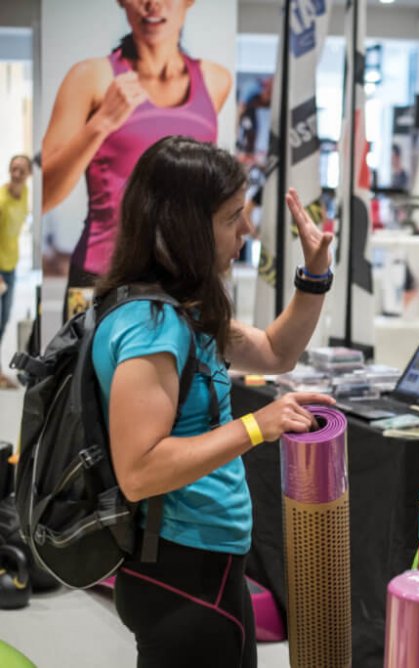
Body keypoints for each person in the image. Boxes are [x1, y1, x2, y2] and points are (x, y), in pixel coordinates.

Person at [92, 135, 335, 667]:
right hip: (179, 568)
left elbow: (276, 352)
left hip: (210, 562)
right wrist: (256, 426)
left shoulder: (184, 309)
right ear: (182, 223)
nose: (245, 231)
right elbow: (140, 469)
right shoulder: (150, 326)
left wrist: (314, 276)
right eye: (232, 217)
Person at [41, 0, 231, 318]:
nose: (152, 5)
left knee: (183, 369)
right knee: (90, 369)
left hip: (183, 278)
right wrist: (101, 122)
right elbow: (43, 195)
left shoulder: (215, 81)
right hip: (101, 276)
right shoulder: (90, 77)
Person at [0, 155, 32, 387]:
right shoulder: (2, 200)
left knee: (5, 319)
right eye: (13, 169)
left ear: (29, 174)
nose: (16, 173)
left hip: (11, 266)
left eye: (21, 170)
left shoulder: (25, 196)